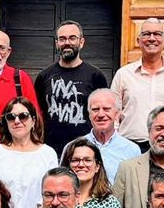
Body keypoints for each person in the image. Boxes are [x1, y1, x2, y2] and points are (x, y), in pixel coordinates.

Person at [109, 18, 164, 148]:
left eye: (157, 34)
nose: (152, 38)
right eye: (146, 34)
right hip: (130, 146)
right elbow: (113, 113)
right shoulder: (123, 75)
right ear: (138, 41)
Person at [34, 20, 109, 153]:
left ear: (81, 42)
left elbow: (103, 113)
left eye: (72, 38)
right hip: (51, 150)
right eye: (62, 39)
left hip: (85, 150)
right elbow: (38, 114)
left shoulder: (96, 76)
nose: (67, 42)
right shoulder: (44, 77)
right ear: (57, 43)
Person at [0, 98, 58, 208]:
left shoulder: (48, 153)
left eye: (23, 116)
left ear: (33, 121)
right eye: (11, 117)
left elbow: (52, 194)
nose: (17, 121)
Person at [84, 88, 140, 182]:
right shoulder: (75, 147)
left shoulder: (132, 150)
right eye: (95, 109)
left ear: (117, 114)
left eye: (106, 109)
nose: (101, 114)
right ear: (89, 115)